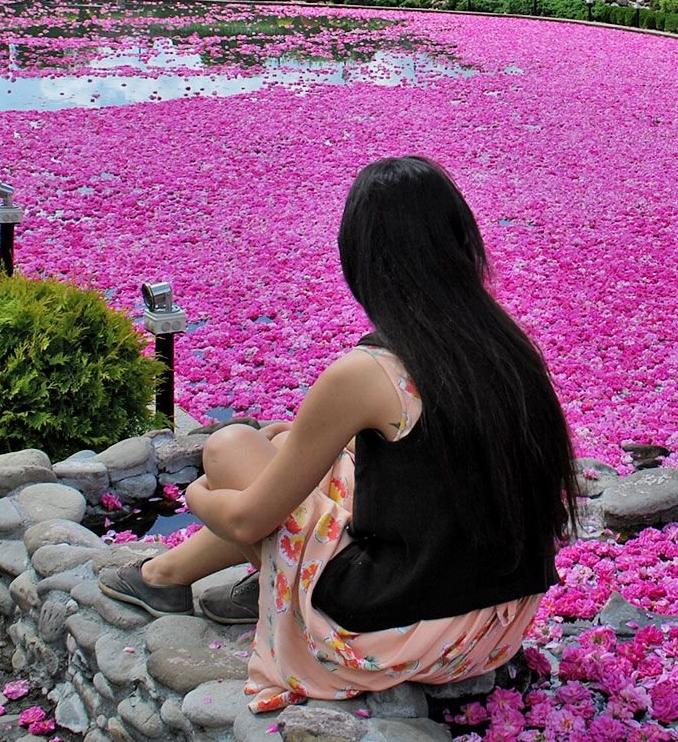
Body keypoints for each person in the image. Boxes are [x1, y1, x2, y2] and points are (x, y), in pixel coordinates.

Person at [100, 157, 578, 715]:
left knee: (229, 448)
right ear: (459, 242)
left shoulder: (370, 370)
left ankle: (176, 575)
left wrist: (196, 495)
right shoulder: (503, 345)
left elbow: (247, 519)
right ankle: (170, 576)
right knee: (296, 458)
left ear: (362, 259)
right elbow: (429, 465)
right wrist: (306, 443)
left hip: (398, 634)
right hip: (495, 625)